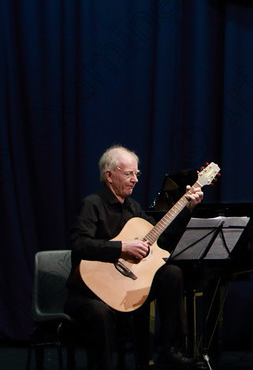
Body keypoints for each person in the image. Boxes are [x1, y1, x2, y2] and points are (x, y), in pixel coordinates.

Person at [65, 145, 207, 370]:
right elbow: (79, 245)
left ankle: (171, 350)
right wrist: (121, 248)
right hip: (89, 292)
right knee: (100, 314)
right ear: (109, 175)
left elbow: (162, 242)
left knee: (171, 273)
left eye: (136, 174)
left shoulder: (133, 208)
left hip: (125, 286)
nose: (135, 180)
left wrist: (187, 208)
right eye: (129, 173)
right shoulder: (93, 204)